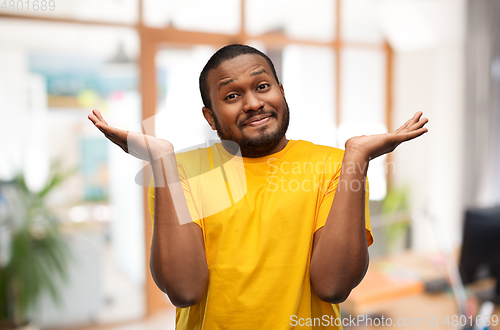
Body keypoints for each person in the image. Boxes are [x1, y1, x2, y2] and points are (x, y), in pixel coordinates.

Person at [88, 44, 428, 329]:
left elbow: (333, 285)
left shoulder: (335, 165)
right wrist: (161, 159)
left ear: (281, 91)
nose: (252, 103)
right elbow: (184, 290)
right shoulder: (180, 172)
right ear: (210, 117)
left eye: (263, 86)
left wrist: (356, 158)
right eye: (233, 95)